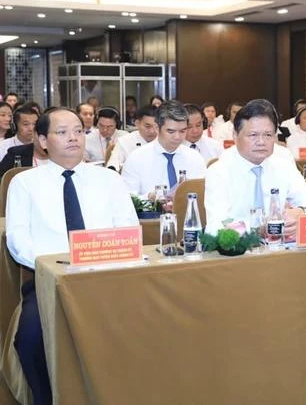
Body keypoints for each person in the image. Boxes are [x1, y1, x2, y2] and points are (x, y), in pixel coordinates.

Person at [6, 108, 138, 405]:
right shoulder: (24, 183)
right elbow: (17, 239)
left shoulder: (109, 179)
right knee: (29, 340)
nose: (73, 138)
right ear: (42, 140)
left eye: (78, 131)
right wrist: (55, 267)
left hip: (107, 278)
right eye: (62, 132)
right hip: (48, 283)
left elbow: (129, 229)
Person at [204, 99, 306, 235]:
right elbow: (215, 227)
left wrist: (301, 211)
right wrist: (258, 229)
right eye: (253, 135)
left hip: (280, 248)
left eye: (268, 135)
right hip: (239, 251)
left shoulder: (282, 165)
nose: (261, 142)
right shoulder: (219, 171)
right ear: (235, 136)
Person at [122, 101, 206, 196]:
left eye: (182, 131)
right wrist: (151, 199)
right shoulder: (136, 159)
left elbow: (205, 194)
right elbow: (128, 198)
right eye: (171, 131)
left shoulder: (195, 158)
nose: (177, 137)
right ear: (157, 128)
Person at [106, 105, 158, 171]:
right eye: (147, 126)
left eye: (156, 126)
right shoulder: (125, 141)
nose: (152, 131)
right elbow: (113, 163)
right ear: (137, 124)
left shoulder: (164, 141)